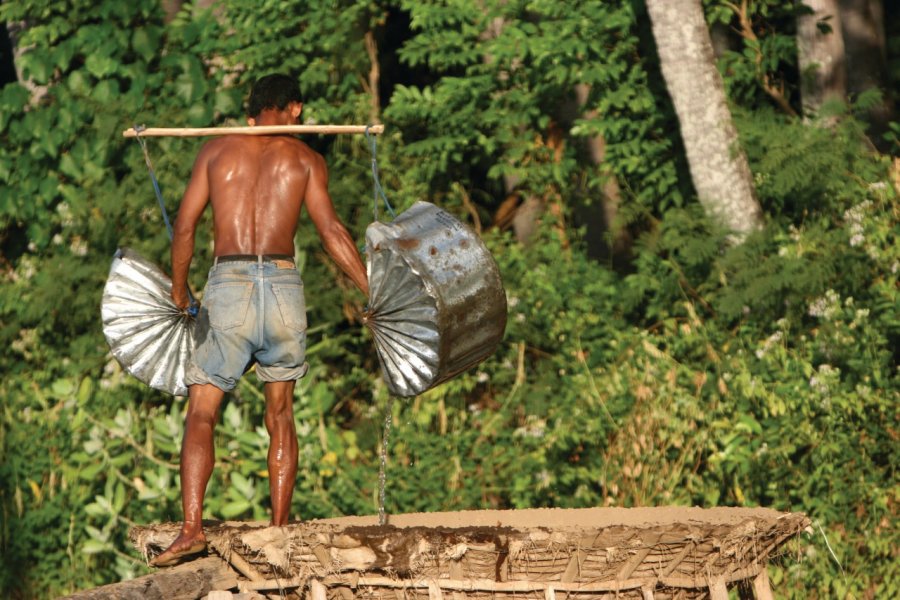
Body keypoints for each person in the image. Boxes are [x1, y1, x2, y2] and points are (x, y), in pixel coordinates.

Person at [150, 74, 368, 567]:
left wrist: (180, 291)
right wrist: (372, 291)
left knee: (202, 411)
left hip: (229, 285)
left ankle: (191, 529)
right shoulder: (307, 161)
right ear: (293, 107)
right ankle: (280, 531)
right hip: (285, 286)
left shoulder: (215, 152)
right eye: (300, 114)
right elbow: (332, 231)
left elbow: (185, 227)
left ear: (251, 114)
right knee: (280, 415)